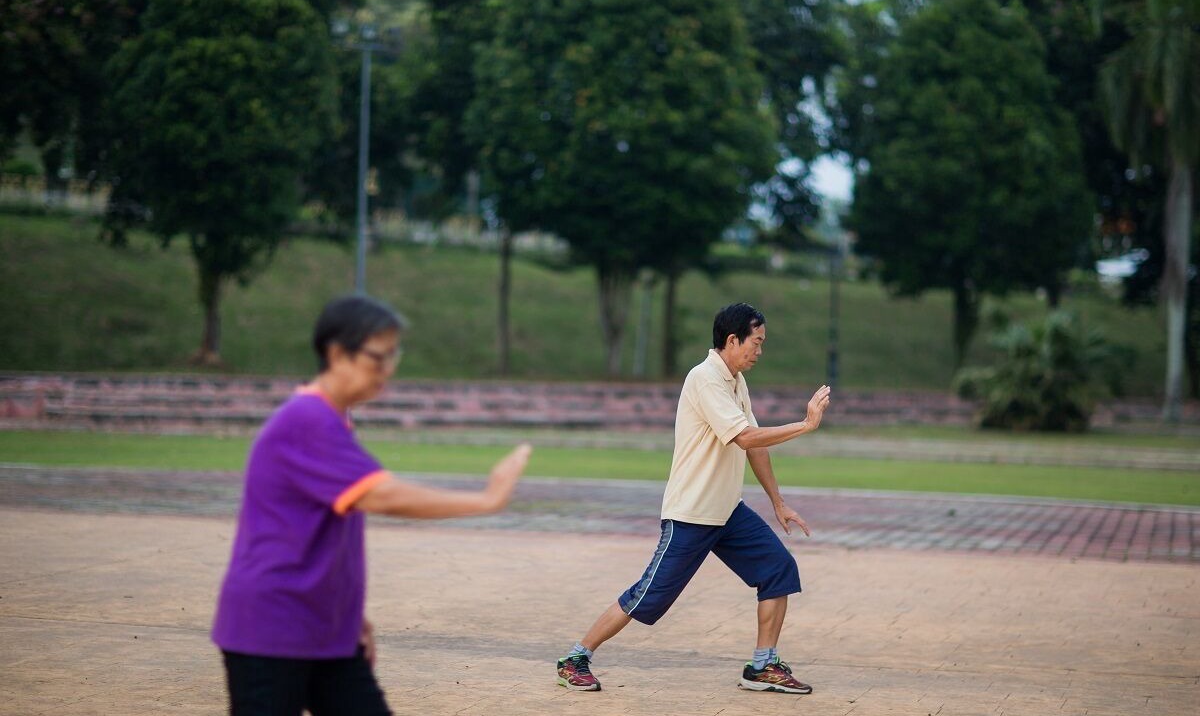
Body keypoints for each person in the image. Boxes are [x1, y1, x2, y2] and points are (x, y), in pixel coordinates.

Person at [212, 294, 532, 716]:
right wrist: (486, 500)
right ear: (337, 354)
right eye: (377, 358)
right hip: (272, 629)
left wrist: (349, 616)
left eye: (393, 357)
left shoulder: (334, 419)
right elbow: (380, 494)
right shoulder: (306, 420)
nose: (387, 371)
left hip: (324, 628)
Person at [556, 302, 831, 695]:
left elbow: (755, 449)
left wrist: (777, 502)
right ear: (732, 339)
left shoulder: (735, 380)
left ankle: (762, 665)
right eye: (756, 342)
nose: (760, 351)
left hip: (727, 512)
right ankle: (575, 658)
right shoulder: (704, 378)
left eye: (762, 343)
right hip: (692, 513)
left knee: (778, 570)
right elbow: (744, 437)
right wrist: (805, 425)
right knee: (647, 596)